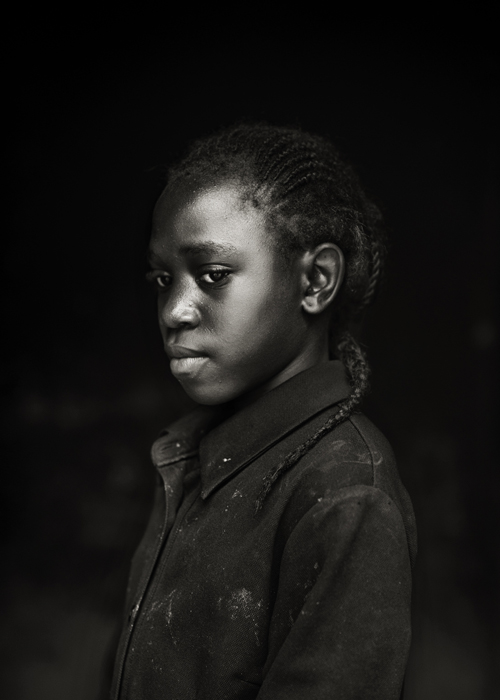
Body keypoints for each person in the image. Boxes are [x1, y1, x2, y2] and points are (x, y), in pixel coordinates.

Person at [110, 122, 417, 700]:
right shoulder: (189, 458)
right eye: (163, 279)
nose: (174, 310)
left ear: (316, 280)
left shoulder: (347, 495)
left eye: (213, 275)